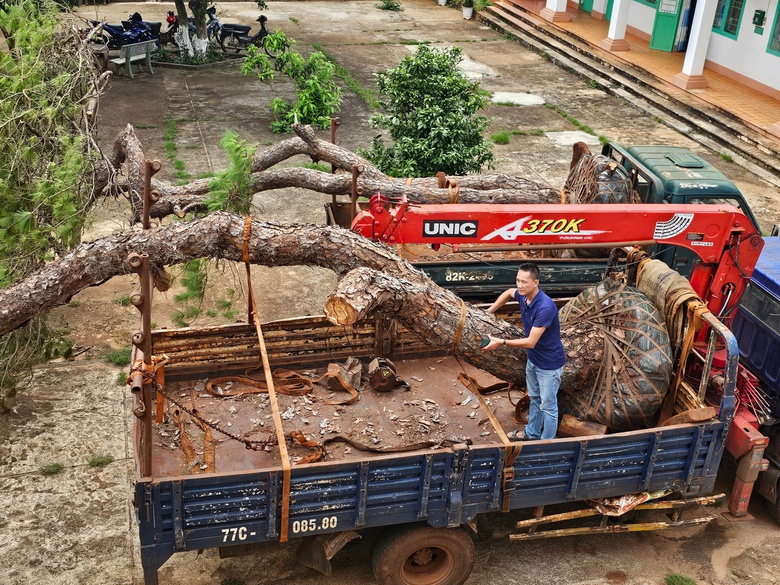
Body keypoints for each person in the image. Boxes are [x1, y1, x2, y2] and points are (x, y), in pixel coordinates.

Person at [481, 263, 566, 440]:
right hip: (534, 360)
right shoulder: (522, 296)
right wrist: (488, 311)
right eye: (518, 280)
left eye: (524, 282)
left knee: (548, 406)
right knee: (534, 398)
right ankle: (532, 434)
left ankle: (546, 445)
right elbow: (508, 293)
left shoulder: (545, 307)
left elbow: (530, 342)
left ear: (535, 283)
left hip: (549, 365)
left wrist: (502, 342)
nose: (519, 285)